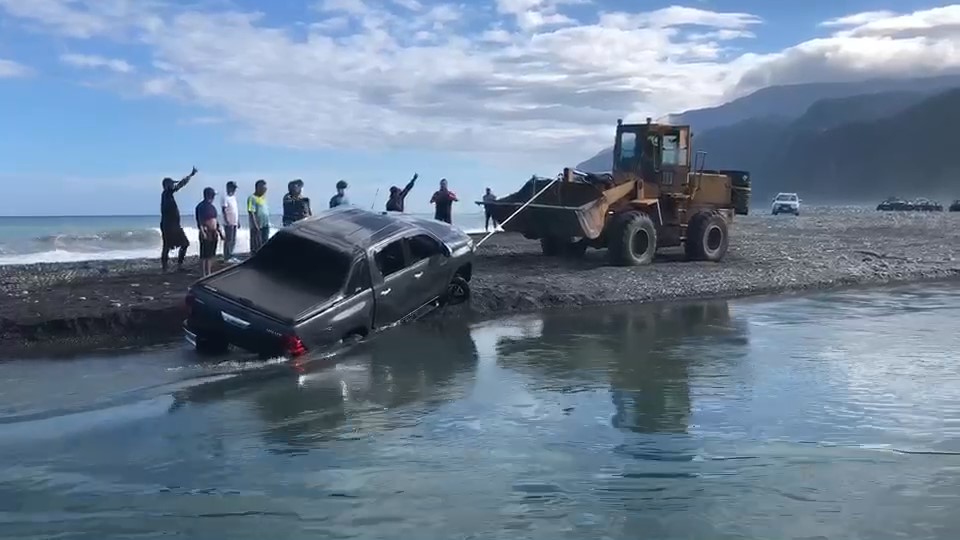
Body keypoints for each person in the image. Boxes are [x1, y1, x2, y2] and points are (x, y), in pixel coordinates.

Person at [159, 166, 198, 273]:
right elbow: (180, 185)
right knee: (173, 245)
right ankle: (170, 267)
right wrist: (190, 175)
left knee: (172, 245)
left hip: (171, 225)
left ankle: (169, 267)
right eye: (171, 184)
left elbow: (179, 185)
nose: (173, 185)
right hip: (169, 225)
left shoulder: (167, 194)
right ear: (167, 185)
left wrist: (190, 176)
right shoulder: (167, 193)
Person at [195, 187, 223, 277]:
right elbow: (200, 220)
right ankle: (203, 274)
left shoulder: (212, 207)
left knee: (211, 255)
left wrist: (220, 232)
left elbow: (216, 220)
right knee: (204, 255)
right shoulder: (201, 206)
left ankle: (209, 272)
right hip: (206, 232)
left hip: (213, 233)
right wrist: (202, 231)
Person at [219, 181, 240, 263]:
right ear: (228, 187)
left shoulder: (233, 197)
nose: (234, 190)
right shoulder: (225, 197)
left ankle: (231, 255)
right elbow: (224, 210)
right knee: (228, 240)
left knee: (233, 239)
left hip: (234, 221)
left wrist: (238, 221)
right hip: (228, 222)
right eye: (233, 188)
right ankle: (226, 256)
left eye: (235, 188)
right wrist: (227, 220)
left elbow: (235, 210)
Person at [247, 179, 270, 253]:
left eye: (266, 188)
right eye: (264, 188)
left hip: (265, 225)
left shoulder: (263, 198)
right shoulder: (252, 198)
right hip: (257, 226)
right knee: (256, 245)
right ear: (258, 187)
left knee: (265, 243)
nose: (265, 190)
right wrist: (255, 225)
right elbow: (251, 212)